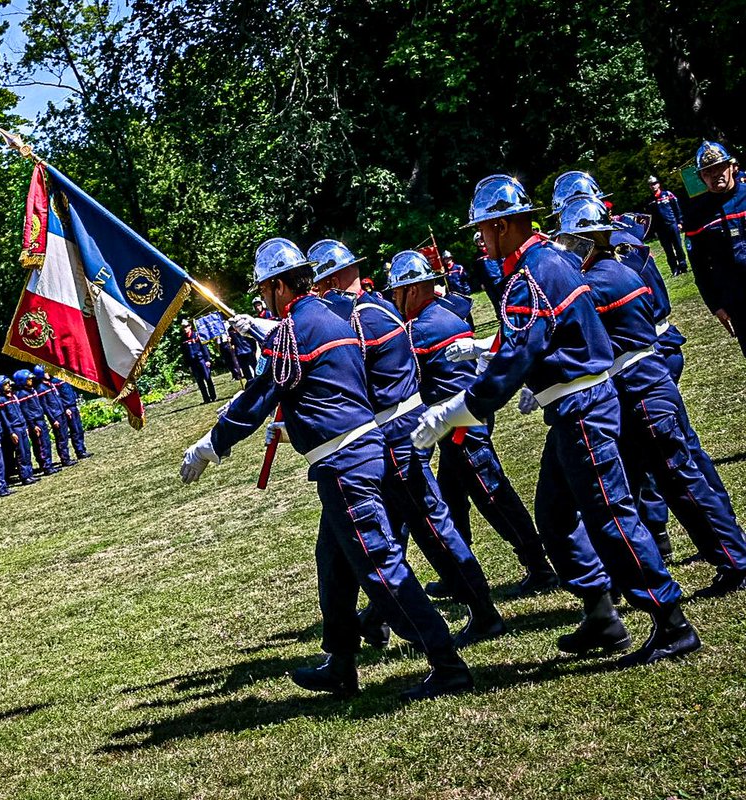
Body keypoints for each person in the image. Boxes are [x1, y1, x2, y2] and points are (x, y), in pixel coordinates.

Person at [413, 174, 697, 667]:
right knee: (555, 515)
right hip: (574, 404)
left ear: (503, 226)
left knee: (610, 517)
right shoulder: (549, 260)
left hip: (581, 408)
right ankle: (600, 613)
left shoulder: (531, 273)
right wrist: (499, 360)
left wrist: (455, 410)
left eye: (483, 229)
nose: (479, 239)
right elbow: (539, 340)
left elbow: (518, 354)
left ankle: (670, 619)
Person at [192, 237, 472, 702]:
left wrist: (210, 444)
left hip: (345, 464)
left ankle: (446, 662)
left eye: (264, 289)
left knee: (381, 566)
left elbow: (259, 397)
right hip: (358, 454)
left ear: (281, 287)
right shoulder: (331, 315)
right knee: (335, 565)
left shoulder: (293, 329)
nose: (262, 298)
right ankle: (341, 663)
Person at [310, 240, 505, 649]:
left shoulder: (360, 318)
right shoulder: (370, 308)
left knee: (430, 526)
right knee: (386, 533)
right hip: (388, 432)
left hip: (395, 433)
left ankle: (482, 611)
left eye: (316, 286)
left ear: (327, 281)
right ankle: (370, 623)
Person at [554, 196, 746, 596]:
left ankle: (736, 560)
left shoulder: (599, 280)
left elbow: (568, 326)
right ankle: (728, 557)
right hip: (644, 383)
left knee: (681, 479)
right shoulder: (614, 268)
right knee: (676, 476)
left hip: (642, 387)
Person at [396, 258, 559, 596]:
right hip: (463, 416)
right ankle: (459, 574)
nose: (395, 299)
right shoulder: (447, 313)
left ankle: (539, 567)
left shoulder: (420, 329)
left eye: (397, 291)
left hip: (461, 425)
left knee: (494, 497)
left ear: (411, 290)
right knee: (453, 499)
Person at [684, 141, 746, 357]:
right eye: (708, 171)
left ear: (732, 167)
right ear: (701, 177)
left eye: (720, 167)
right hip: (736, 299)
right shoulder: (696, 216)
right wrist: (715, 305)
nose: (715, 174)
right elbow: (699, 267)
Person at [0, 375, 39, 486]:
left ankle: (30, 473)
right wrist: (11, 432)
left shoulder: (13, 396)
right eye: (5, 384)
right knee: (21, 453)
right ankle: (24, 476)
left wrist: (26, 426)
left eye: (8, 384)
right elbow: (4, 419)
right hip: (14, 428)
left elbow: (20, 411)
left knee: (27, 451)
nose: (8, 386)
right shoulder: (1, 400)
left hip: (22, 426)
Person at [13, 370, 57, 474]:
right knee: (40, 444)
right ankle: (45, 466)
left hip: (40, 419)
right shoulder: (22, 394)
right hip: (35, 422)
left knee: (46, 443)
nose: (31, 381)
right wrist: (33, 425)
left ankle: (49, 464)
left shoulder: (32, 390)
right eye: (28, 379)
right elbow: (26, 411)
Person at [645, 175, 688, 276]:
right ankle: (674, 269)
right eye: (651, 185)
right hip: (661, 230)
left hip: (672, 225)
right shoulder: (649, 200)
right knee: (668, 250)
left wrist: (680, 222)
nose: (653, 186)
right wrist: (653, 230)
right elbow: (650, 217)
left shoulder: (667, 194)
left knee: (678, 247)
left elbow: (676, 208)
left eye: (654, 184)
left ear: (658, 184)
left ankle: (683, 265)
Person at [32, 366, 75, 467]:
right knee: (61, 438)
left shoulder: (50, 384)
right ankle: (64, 459)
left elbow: (59, 399)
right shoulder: (41, 388)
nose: (48, 373)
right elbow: (45, 407)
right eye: (46, 372)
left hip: (61, 412)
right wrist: (53, 419)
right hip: (56, 415)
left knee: (64, 436)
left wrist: (64, 409)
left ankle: (66, 457)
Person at [52, 376, 90, 459]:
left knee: (79, 429)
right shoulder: (55, 381)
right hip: (68, 408)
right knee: (75, 430)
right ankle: (79, 451)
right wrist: (65, 408)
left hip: (73, 405)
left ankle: (82, 449)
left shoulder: (64, 376)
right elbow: (58, 397)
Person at [179, 320, 217, 404]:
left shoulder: (197, 335)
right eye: (183, 327)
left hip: (201, 360)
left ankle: (213, 396)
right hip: (192, 363)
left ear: (190, 326)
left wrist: (207, 360)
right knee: (200, 382)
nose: (185, 329)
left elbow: (204, 348)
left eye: (186, 326)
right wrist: (188, 365)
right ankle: (206, 399)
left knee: (208, 379)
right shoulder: (182, 339)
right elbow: (184, 353)